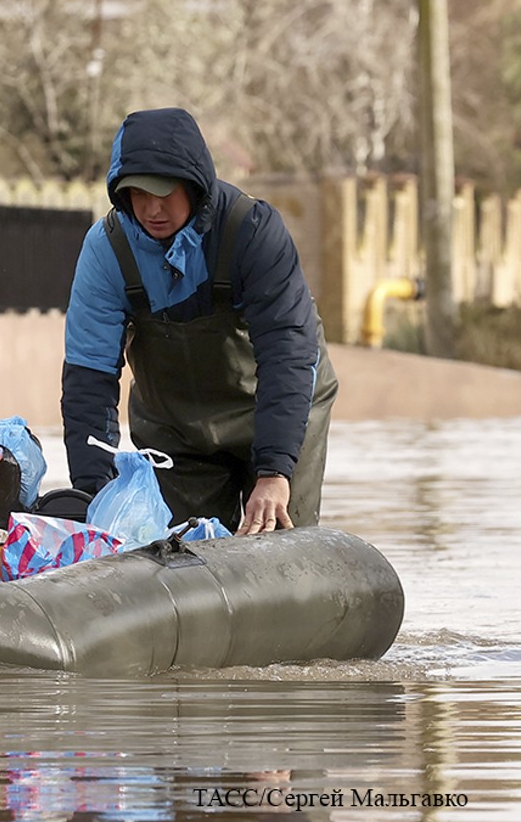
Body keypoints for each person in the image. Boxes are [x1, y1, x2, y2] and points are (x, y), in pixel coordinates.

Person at [60, 107, 338, 536]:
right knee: (183, 553)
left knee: (281, 538)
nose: (152, 208)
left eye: (164, 192)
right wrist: (94, 494)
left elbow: (287, 352)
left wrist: (274, 471)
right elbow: (88, 380)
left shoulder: (252, 231)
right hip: (176, 432)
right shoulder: (105, 251)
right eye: (138, 194)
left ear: (193, 186)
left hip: (276, 405)